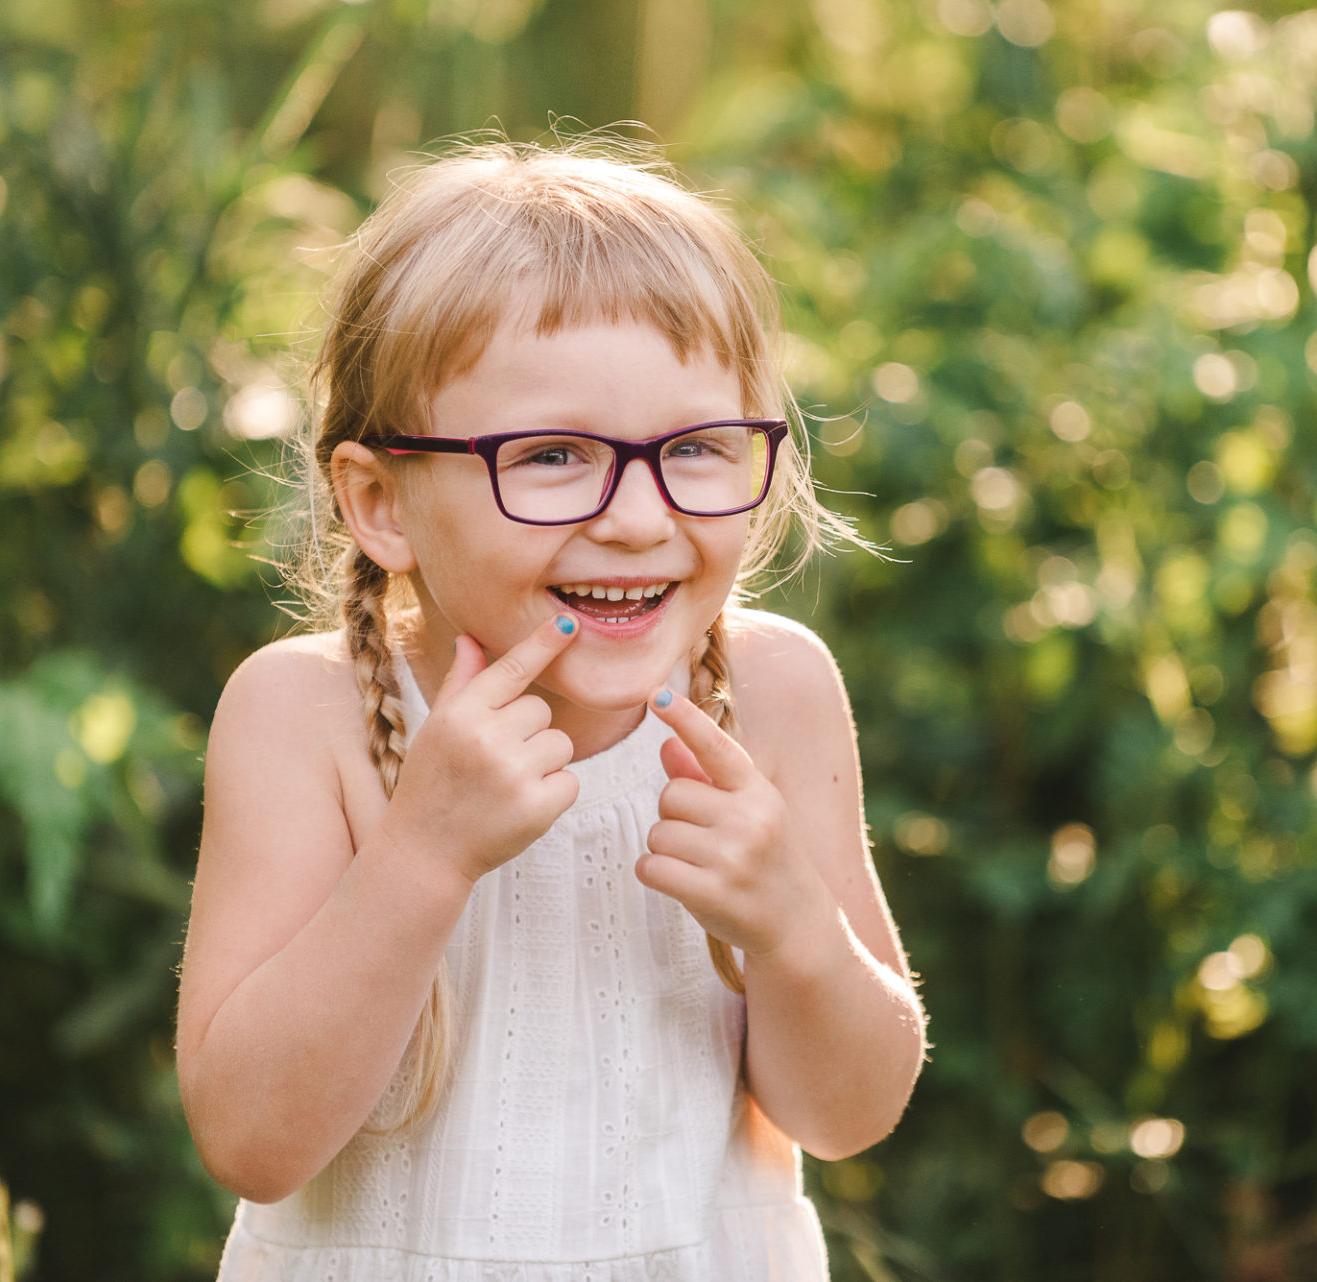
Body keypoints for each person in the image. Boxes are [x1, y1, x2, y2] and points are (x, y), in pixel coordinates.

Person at [174, 137, 927, 1282]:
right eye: (555, 456)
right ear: (380, 501)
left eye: (697, 448)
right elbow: (251, 1140)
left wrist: (791, 924)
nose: (635, 517)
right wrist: (422, 850)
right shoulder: (305, 716)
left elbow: (849, 1114)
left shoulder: (772, 698)